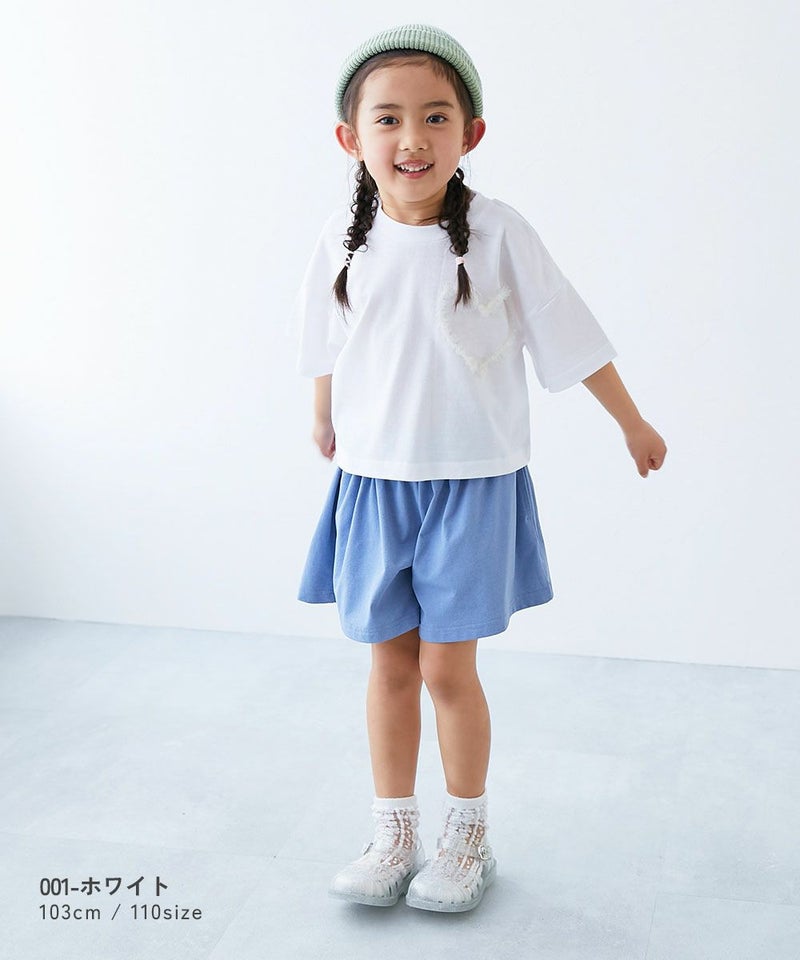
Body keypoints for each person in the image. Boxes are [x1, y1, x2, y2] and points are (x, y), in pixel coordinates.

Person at [294, 23, 667, 914]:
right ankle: (394, 833)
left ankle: (468, 837)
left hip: (472, 483)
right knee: (389, 666)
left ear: (472, 133)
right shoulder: (343, 240)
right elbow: (324, 339)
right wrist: (323, 416)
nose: (412, 138)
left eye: (436, 116)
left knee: (446, 670)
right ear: (351, 137)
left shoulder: (498, 233)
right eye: (388, 119)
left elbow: (567, 331)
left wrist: (632, 422)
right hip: (375, 485)